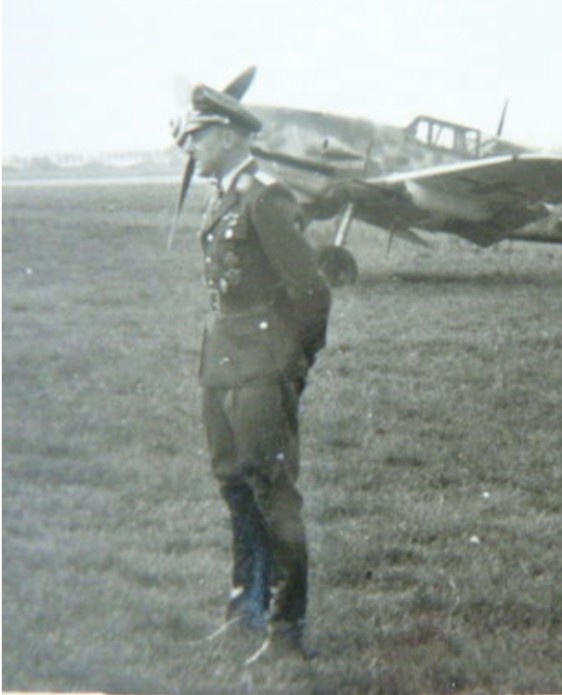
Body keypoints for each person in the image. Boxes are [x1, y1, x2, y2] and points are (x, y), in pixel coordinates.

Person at [171, 82, 331, 663]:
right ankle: (247, 609)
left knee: (273, 494)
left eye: (199, 134)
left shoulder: (264, 197)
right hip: (221, 363)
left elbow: (312, 291)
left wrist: (293, 364)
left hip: (261, 367)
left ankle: (286, 632)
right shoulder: (224, 195)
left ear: (231, 134)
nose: (190, 145)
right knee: (235, 488)